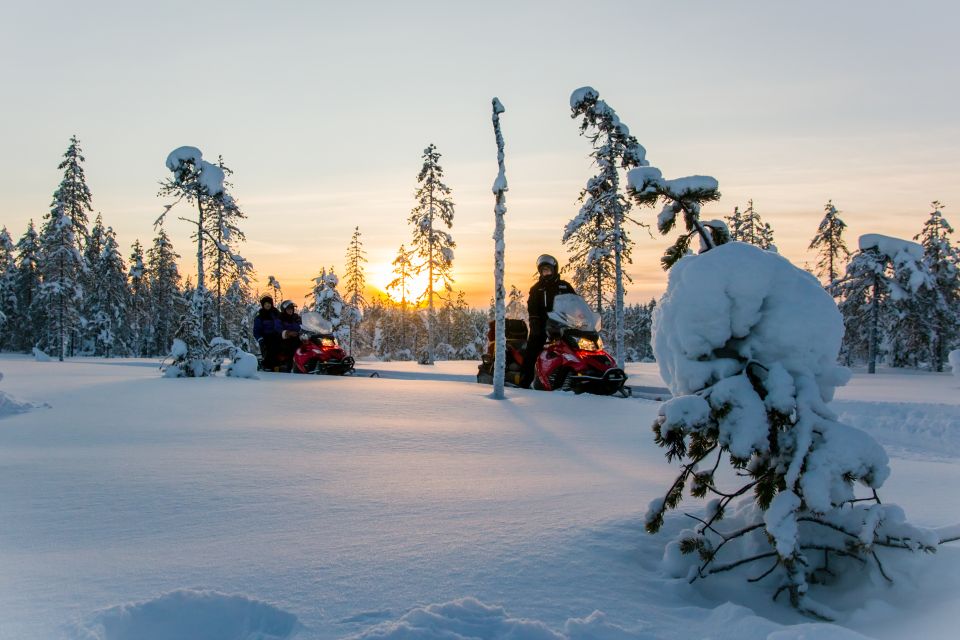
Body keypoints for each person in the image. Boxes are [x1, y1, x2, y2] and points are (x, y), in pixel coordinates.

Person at [520, 254, 576, 388]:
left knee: (576, 347)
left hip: (563, 325)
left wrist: (579, 316)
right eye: (543, 270)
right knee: (533, 348)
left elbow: (574, 302)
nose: (546, 272)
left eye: (548, 269)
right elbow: (532, 306)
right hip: (542, 326)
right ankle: (525, 381)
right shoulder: (537, 288)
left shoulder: (564, 286)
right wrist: (535, 321)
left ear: (554, 269)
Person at [253, 295, 282, 370]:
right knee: (272, 346)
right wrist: (260, 339)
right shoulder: (260, 317)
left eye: (269, 303)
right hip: (266, 337)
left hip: (279, 335)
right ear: (263, 305)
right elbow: (256, 330)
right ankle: (268, 365)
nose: (268, 305)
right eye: (266, 303)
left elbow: (284, 322)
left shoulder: (277, 314)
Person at [278, 299, 303, 372]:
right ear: (284, 310)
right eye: (288, 309)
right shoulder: (280, 318)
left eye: (292, 309)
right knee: (292, 347)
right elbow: (278, 329)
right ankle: (290, 366)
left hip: (298, 337)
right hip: (285, 339)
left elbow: (303, 325)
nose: (290, 310)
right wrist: (288, 333)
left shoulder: (296, 317)